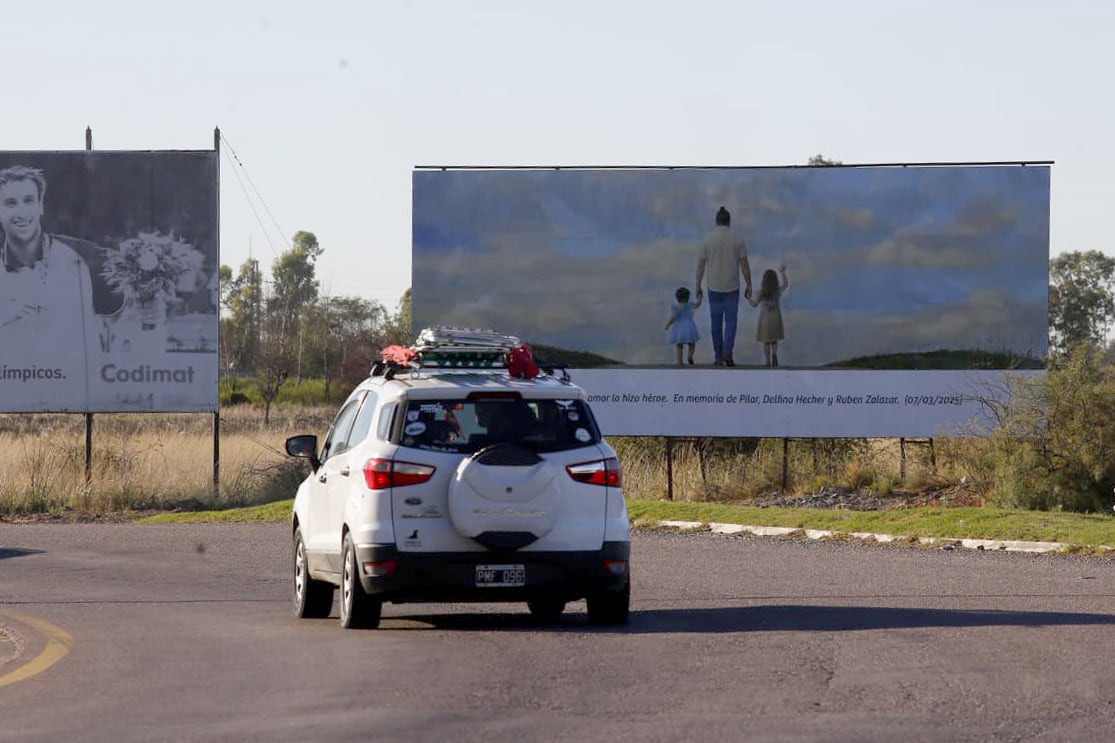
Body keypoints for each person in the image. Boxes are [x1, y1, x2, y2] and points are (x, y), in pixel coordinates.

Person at [0, 166, 103, 376]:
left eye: (28, 201)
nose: (21, 213)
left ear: (40, 206)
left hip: (67, 384)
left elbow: (96, 333)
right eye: (11, 203)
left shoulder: (79, 259)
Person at [695, 206, 751, 366]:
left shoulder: (707, 240)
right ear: (729, 221)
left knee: (716, 323)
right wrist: (749, 284)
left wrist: (697, 285)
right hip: (732, 286)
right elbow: (744, 265)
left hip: (713, 286)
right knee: (731, 322)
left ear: (716, 221)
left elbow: (700, 266)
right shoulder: (738, 239)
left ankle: (718, 356)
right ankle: (728, 353)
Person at [746, 264, 789, 367]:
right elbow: (786, 284)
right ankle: (774, 354)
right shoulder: (777, 291)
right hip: (776, 318)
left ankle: (767, 361)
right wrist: (783, 272)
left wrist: (748, 298)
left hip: (765, 320)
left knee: (766, 341)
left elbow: (754, 304)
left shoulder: (761, 293)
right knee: (774, 340)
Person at [664, 286, 702, 366]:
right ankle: (690, 356)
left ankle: (680, 362)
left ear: (677, 298)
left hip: (679, 329)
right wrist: (699, 297)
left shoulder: (676, 308)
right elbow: (698, 305)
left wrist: (667, 325)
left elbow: (673, 318)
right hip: (689, 327)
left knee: (679, 346)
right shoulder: (690, 305)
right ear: (688, 297)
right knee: (691, 344)